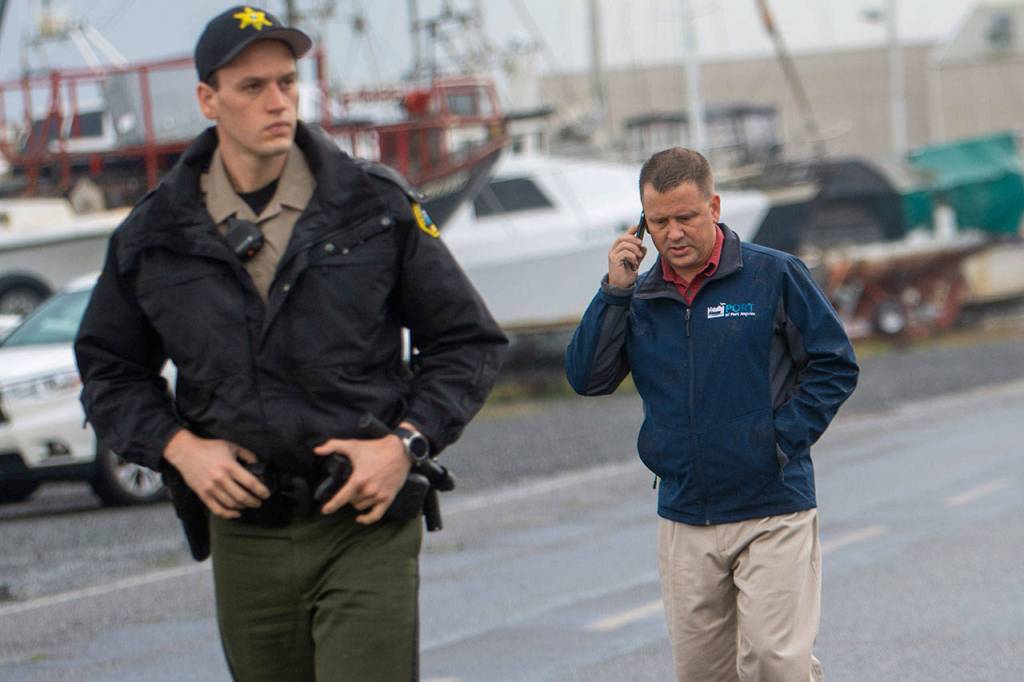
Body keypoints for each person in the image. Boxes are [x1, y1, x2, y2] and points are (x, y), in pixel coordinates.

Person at [74, 6, 507, 681]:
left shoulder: (375, 206)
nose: (277, 102)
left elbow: (467, 341)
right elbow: (108, 370)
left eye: (286, 82)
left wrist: (405, 445)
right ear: (207, 99)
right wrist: (180, 450)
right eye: (252, 88)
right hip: (245, 533)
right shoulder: (153, 234)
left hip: (364, 520)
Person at [565, 147, 858, 682]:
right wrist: (614, 292)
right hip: (686, 516)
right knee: (703, 675)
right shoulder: (639, 295)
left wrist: (779, 441)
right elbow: (588, 379)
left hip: (773, 507)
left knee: (777, 663)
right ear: (642, 224)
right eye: (659, 222)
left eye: (686, 217)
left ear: (714, 206)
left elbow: (835, 365)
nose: (673, 234)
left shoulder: (774, 275)